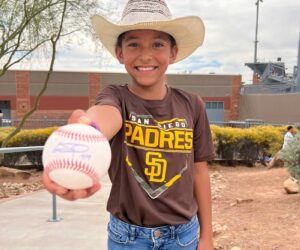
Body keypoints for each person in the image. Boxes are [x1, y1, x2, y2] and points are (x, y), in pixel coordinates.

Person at [43, 0, 216, 249]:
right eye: (134, 44)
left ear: (173, 53)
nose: (145, 55)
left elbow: (199, 172)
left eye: (158, 44)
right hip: (127, 238)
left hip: (183, 236)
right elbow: (105, 116)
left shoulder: (192, 104)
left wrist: (207, 236)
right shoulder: (116, 97)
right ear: (120, 53)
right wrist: (88, 128)